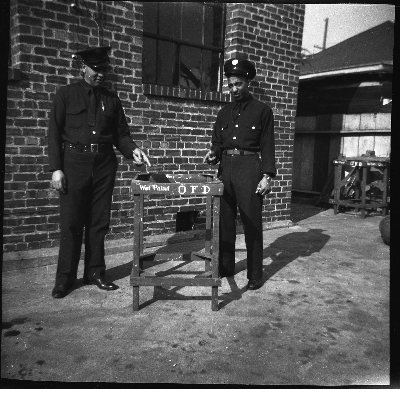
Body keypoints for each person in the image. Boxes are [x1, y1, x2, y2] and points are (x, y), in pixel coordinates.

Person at [48, 46, 151, 298]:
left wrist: (133, 151)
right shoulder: (66, 95)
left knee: (99, 222)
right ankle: (65, 279)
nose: (101, 74)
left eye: (105, 69)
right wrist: (56, 169)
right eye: (97, 69)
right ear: (83, 67)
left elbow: (121, 135)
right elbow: (53, 133)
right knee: (72, 223)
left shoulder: (112, 99)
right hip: (74, 162)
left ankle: (95, 272)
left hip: (104, 164)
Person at [204, 58, 276, 291]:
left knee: (251, 222)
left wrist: (267, 176)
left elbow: (267, 146)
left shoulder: (262, 111)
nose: (234, 89)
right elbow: (217, 143)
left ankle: (255, 274)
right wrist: (213, 153)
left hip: (249, 169)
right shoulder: (224, 113)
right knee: (225, 221)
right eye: (231, 84)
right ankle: (226, 266)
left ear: (248, 83)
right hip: (225, 169)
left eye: (238, 84)